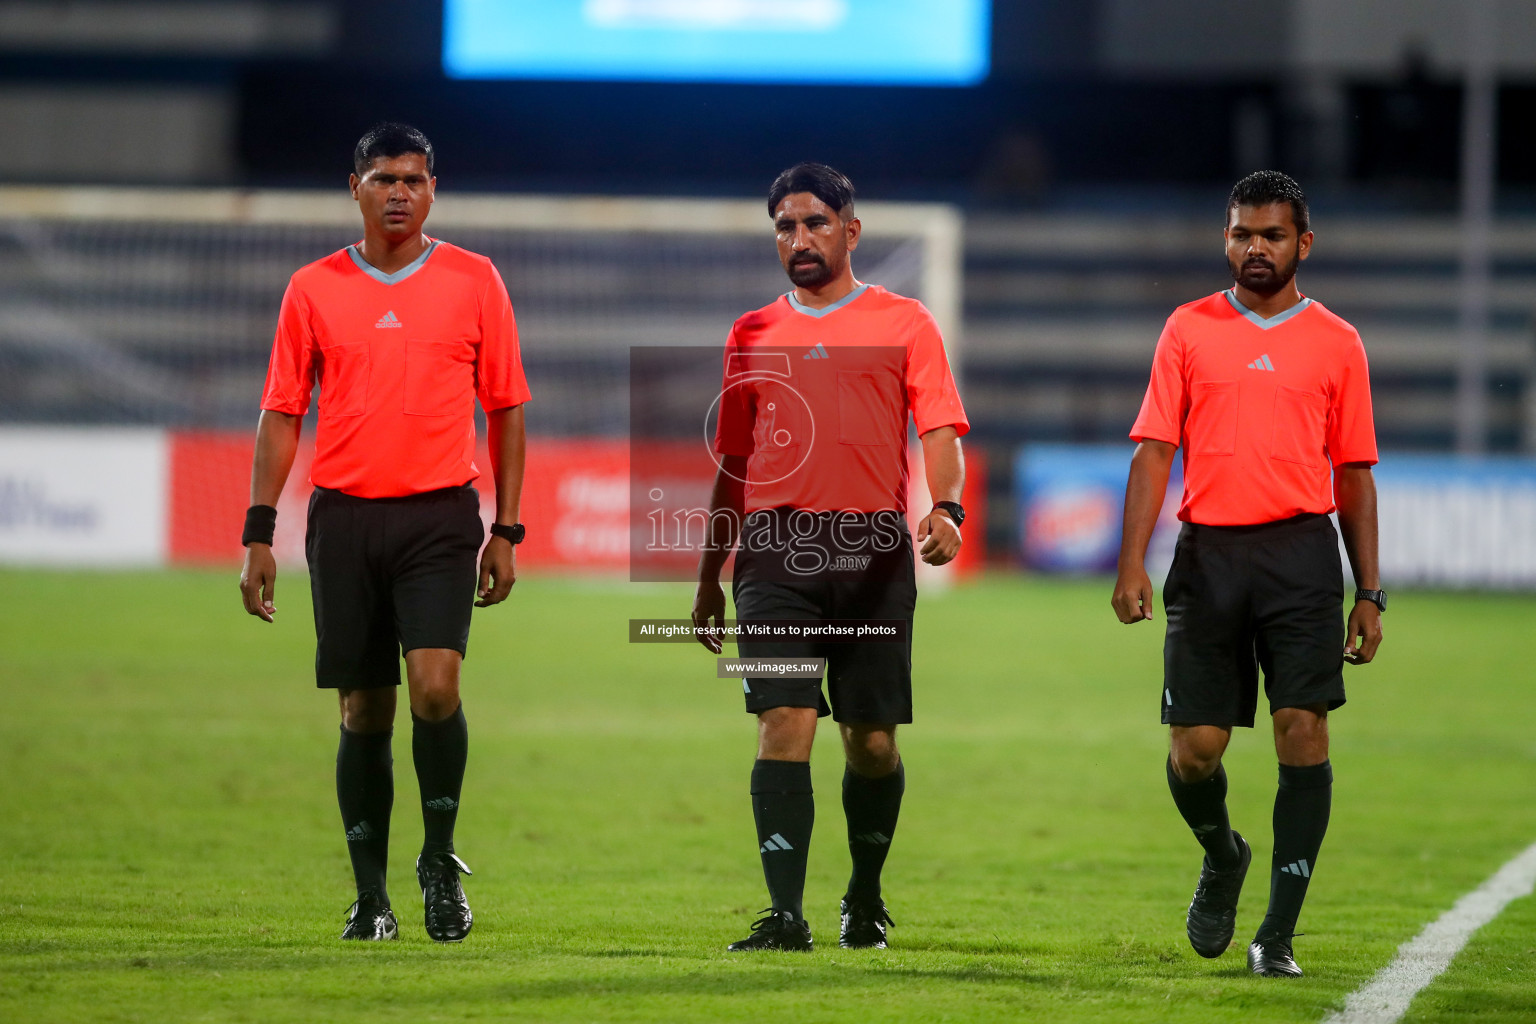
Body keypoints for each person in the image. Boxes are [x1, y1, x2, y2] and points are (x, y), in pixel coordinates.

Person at [237, 123, 530, 942]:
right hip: (345, 520)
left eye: (413, 178)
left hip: (439, 516)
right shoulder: (313, 288)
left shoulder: (476, 280)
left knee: (437, 688)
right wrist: (258, 531)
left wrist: (506, 526)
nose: (398, 191)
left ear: (433, 189)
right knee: (363, 711)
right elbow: (281, 412)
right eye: (382, 178)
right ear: (355, 188)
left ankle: (438, 862)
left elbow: (505, 408)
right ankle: (371, 897)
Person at [1112, 170, 1384, 978]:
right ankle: (1222, 852)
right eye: (1240, 234)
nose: (1254, 248)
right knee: (1195, 750)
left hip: (1301, 555)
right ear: (1225, 238)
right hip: (1207, 555)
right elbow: (1155, 449)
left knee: (1302, 732)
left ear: (1304, 243)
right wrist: (1132, 559)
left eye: (1270, 235)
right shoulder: (1188, 329)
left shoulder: (1338, 341)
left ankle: (1277, 933)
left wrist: (1369, 591)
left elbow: (1356, 473)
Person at [691, 163, 969, 951]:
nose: (799, 239)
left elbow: (940, 430)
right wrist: (709, 575)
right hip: (775, 553)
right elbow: (734, 465)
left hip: (874, 550)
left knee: (871, 741)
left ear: (851, 229)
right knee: (784, 722)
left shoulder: (906, 321)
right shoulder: (751, 332)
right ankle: (784, 916)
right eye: (785, 226)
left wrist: (945, 507)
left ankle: (865, 894)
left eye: (814, 223)